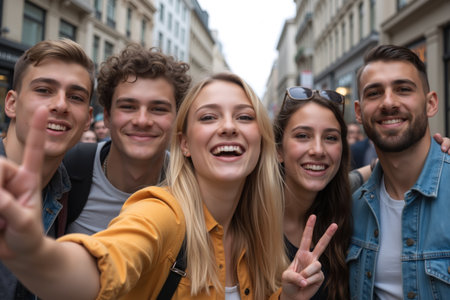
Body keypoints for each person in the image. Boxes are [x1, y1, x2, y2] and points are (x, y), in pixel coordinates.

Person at [0, 73, 337, 299]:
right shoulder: (161, 214)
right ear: (184, 144)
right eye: (208, 117)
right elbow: (101, 267)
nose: (228, 127)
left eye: (245, 117)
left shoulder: (258, 235)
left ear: (262, 142)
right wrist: (36, 253)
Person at [348, 44, 450, 299]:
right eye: (374, 93)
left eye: (403, 89)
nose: (389, 102)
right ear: (359, 113)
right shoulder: (352, 208)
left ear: (430, 104)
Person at [0, 39, 94, 298]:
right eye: (43, 90)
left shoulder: (67, 193)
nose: (61, 105)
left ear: (87, 120)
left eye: (75, 97)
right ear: (11, 104)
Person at [65, 44, 191, 235]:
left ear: (177, 120)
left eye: (158, 109)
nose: (142, 121)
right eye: (128, 107)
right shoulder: (66, 171)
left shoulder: (192, 189)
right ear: (107, 116)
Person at [274, 87, 352, 300]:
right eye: (302, 136)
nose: (318, 150)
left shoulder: (349, 214)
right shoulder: (249, 221)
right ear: (279, 150)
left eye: (330, 138)